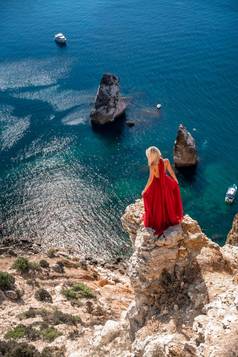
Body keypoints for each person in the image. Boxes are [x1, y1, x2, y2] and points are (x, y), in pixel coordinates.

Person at [142, 146, 183, 236]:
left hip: (157, 185)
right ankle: (169, 218)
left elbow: (150, 179)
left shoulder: (153, 165)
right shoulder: (166, 161)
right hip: (166, 183)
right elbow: (171, 172)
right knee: (167, 201)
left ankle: (160, 220)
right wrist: (176, 181)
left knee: (157, 203)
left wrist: (144, 190)